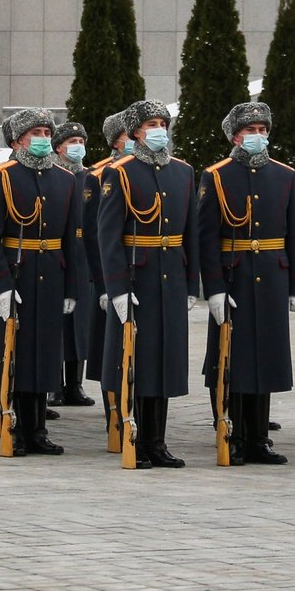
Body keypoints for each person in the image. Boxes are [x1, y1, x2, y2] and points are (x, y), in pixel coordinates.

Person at [195, 102, 295, 465]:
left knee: (267, 357)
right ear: (234, 136)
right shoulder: (217, 175)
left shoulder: (285, 175)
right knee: (233, 358)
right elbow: (206, 237)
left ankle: (259, 438)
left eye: (263, 130)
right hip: (234, 276)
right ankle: (234, 434)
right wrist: (212, 288)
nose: (258, 136)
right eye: (250, 131)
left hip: (273, 275)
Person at [0, 108, 90, 455]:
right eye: (35, 133)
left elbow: (72, 238)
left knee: (45, 353)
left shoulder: (65, 179)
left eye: (46, 132)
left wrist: (72, 286)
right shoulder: (1, 176)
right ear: (17, 141)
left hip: (51, 275)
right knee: (17, 353)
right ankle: (15, 425)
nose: (42, 138)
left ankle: (38, 429)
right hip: (17, 273)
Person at [98, 99, 197, 468]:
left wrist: (191, 284)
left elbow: (190, 234)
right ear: (136, 131)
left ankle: (157, 441)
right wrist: (118, 288)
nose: (159, 129)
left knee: (164, 361)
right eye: (151, 124)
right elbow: (108, 236)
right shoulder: (121, 172)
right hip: (136, 277)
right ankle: (133, 438)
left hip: (170, 276)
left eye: (163, 123)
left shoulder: (183, 172)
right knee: (134, 361)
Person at [83, 112, 128, 436]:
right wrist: (102, 284)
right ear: (115, 140)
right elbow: (93, 234)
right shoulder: (98, 175)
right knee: (110, 349)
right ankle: (113, 410)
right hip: (108, 277)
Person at [49, 120, 96, 410]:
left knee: (79, 324)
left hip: (84, 255)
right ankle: (54, 386)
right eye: (71, 141)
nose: (77, 146)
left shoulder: (90, 177)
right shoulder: (52, 175)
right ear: (59, 147)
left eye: (81, 141)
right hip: (59, 252)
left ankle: (74, 384)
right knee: (58, 324)